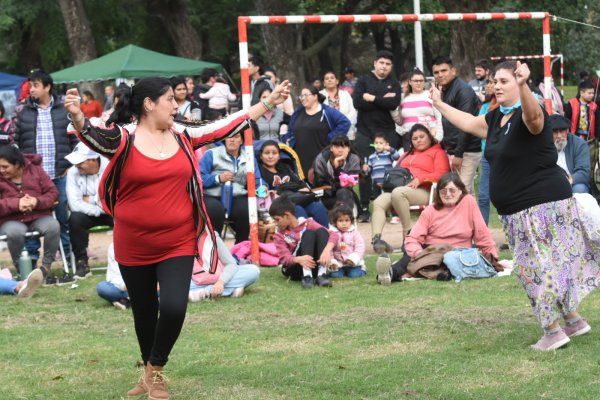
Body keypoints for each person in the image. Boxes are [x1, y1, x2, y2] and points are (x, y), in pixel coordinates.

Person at [64, 76, 290, 398]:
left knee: (172, 307)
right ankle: (149, 371)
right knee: (143, 310)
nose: (176, 104)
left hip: (178, 240)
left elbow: (225, 125)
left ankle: (156, 368)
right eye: (169, 99)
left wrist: (267, 103)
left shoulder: (184, 134)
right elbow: (94, 136)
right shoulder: (124, 138)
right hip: (134, 243)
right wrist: (76, 116)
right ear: (149, 104)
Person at [431, 60, 600, 351]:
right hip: (520, 211)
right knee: (550, 266)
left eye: (504, 81)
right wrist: (439, 104)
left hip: (541, 207)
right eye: (495, 81)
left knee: (534, 269)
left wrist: (523, 86)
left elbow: (535, 118)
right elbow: (468, 123)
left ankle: (552, 332)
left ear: (519, 82)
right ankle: (573, 320)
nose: (497, 85)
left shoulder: (529, 114)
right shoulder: (496, 119)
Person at [10, 70, 78, 271]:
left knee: (62, 219)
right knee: (31, 219)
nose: (31, 89)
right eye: (30, 86)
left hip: (60, 174)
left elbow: (75, 138)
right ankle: (30, 263)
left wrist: (70, 164)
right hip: (32, 179)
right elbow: (14, 141)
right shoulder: (22, 111)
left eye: (36, 85)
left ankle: (68, 259)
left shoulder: (63, 109)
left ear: (47, 87)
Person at [376, 172, 497, 284]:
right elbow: (413, 238)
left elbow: (482, 233)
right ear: (438, 193)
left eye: (452, 190)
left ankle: (440, 274)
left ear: (460, 191)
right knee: (408, 258)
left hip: (458, 252)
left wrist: (492, 255)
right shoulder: (430, 210)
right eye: (443, 191)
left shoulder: (469, 202)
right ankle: (389, 273)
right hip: (432, 250)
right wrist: (419, 254)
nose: (448, 194)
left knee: (453, 262)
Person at [370, 124, 450, 255]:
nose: (418, 140)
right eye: (415, 138)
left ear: (430, 137)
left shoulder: (438, 152)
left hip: (426, 190)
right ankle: (377, 239)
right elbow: (397, 170)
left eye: (421, 137)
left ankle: (408, 236)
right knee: (379, 202)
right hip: (402, 189)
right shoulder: (407, 154)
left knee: (398, 193)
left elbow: (443, 174)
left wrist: (421, 178)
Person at [352, 49, 402, 223]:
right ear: (375, 63)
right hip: (365, 133)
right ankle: (365, 208)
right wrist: (382, 100)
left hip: (388, 133)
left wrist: (371, 98)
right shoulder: (363, 81)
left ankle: (393, 209)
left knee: (391, 171)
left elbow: (394, 103)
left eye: (388, 64)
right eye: (381, 63)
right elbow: (358, 102)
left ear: (391, 66)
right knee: (365, 170)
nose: (384, 67)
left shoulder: (394, 83)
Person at [0, 146, 60, 281]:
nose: (1, 170)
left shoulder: (36, 170)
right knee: (14, 232)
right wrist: (17, 204)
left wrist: (36, 201)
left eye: (5, 167)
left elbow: (53, 193)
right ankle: (22, 271)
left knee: (53, 226)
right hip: (11, 220)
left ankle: (45, 268)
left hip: (39, 216)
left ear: (17, 164)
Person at [200, 131, 263, 244]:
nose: (231, 139)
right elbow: (199, 178)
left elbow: (257, 181)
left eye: (236, 137)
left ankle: (240, 248)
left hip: (236, 195)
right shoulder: (211, 154)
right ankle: (215, 248)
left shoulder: (249, 158)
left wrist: (263, 189)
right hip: (212, 195)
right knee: (215, 211)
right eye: (229, 136)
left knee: (246, 210)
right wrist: (218, 178)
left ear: (242, 140)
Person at [431, 56, 481, 195]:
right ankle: (472, 217)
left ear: (453, 71)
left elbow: (467, 125)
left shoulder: (463, 90)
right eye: (436, 72)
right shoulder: (443, 90)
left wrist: (458, 154)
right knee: (464, 192)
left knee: (461, 191)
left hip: (467, 149)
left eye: (444, 71)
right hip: (454, 148)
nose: (440, 75)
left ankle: (471, 217)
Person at [65, 142, 113, 279]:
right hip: (89, 213)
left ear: (93, 160)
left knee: (126, 216)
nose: (77, 166)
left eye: (80, 163)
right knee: (75, 218)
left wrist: (91, 200)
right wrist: (97, 207)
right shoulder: (73, 172)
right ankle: (82, 264)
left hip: (112, 211)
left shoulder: (111, 167)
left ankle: (128, 260)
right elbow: (74, 203)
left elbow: (114, 200)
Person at [281, 85, 351, 176]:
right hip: (300, 158)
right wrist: (288, 140)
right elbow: (290, 131)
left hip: (321, 158)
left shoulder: (327, 111)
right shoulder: (298, 113)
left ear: (315, 96)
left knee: (320, 185)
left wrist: (331, 138)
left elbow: (345, 123)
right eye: (301, 96)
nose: (303, 98)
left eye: (306, 95)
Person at [269, 196, 336, 289]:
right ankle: (307, 277)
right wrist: (298, 259)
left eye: (277, 219)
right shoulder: (279, 235)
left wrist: (327, 251)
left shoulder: (307, 223)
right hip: (294, 268)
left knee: (322, 231)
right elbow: (284, 258)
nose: (276, 223)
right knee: (308, 233)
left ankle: (322, 275)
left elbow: (334, 235)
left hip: (313, 265)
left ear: (287, 215)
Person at [258, 140, 329, 227]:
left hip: (297, 198)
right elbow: (270, 191)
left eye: (274, 153)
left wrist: (290, 187)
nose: (270, 156)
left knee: (317, 207)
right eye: (267, 153)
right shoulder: (260, 171)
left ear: (279, 156)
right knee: (297, 210)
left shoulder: (284, 167)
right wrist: (289, 187)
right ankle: (305, 237)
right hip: (279, 204)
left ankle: (326, 236)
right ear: (261, 156)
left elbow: (300, 183)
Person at [188, 235, 260, 301]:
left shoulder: (212, 235)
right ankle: (231, 289)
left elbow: (231, 264)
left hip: (220, 276)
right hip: (195, 281)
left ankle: (201, 293)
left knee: (253, 270)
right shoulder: (181, 239)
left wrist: (221, 282)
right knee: (178, 287)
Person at [398, 68, 443, 151]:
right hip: (408, 141)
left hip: (429, 139)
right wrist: (402, 131)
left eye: (421, 80)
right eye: (415, 81)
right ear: (410, 82)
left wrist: (438, 137)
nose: (418, 83)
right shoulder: (403, 98)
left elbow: (439, 117)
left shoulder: (431, 96)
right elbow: (398, 119)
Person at [312, 134, 361, 210]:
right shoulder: (321, 159)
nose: (340, 150)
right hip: (324, 194)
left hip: (344, 194)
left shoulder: (353, 159)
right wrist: (337, 184)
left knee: (344, 191)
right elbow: (319, 183)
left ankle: (345, 217)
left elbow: (349, 184)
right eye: (337, 147)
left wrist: (337, 168)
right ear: (331, 148)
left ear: (348, 148)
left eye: (344, 147)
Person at [550, 114, 591, 193]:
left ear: (567, 130)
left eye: (562, 131)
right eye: (555, 132)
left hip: (572, 183)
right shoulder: (544, 144)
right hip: (551, 182)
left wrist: (569, 180)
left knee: (579, 188)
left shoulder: (579, 144)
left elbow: (584, 172)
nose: (559, 136)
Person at [477, 78, 499, 225]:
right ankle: (482, 233)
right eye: (489, 82)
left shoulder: (511, 106)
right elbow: (478, 128)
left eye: (494, 82)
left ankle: (511, 234)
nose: (490, 85)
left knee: (507, 195)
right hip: (488, 155)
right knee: (484, 196)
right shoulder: (485, 106)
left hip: (506, 157)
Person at [328, 204, 366, 278]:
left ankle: (362, 269)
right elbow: (330, 249)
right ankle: (341, 271)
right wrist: (332, 261)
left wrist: (353, 259)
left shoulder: (354, 232)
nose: (344, 223)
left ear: (351, 221)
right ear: (335, 222)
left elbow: (360, 247)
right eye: (340, 221)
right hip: (339, 264)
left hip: (353, 263)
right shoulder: (331, 233)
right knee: (335, 276)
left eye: (347, 220)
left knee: (354, 275)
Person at [320, 71, 357, 140]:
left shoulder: (345, 94)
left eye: (332, 78)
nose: (329, 80)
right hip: (327, 133)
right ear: (324, 83)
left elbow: (353, 111)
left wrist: (343, 124)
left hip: (346, 131)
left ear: (337, 81)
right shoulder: (319, 95)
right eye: (327, 79)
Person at [96, 243, 130, 310]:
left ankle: (126, 301)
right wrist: (125, 286)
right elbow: (113, 276)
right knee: (102, 287)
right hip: (126, 288)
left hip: (146, 286)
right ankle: (131, 299)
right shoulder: (114, 246)